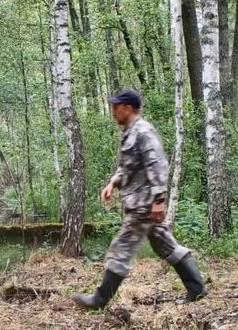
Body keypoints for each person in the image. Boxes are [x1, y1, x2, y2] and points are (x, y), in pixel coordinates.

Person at [71, 89, 207, 310]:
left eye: (116, 107)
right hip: (140, 202)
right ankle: (197, 288)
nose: (113, 112)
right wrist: (113, 183)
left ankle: (99, 299)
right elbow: (128, 168)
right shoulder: (130, 132)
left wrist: (158, 200)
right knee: (165, 244)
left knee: (121, 247)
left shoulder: (143, 131)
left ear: (128, 108)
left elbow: (158, 165)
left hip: (143, 205)